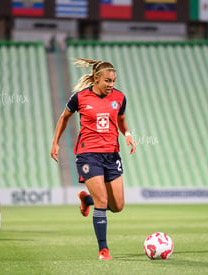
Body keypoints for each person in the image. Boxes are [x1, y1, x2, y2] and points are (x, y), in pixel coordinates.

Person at [50, 58, 136, 260]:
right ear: (96, 79)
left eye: (113, 81)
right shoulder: (79, 98)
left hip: (112, 154)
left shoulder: (120, 98)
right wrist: (55, 143)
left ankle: (86, 200)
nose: (111, 85)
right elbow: (64, 117)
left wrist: (128, 134)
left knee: (118, 206)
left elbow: (121, 120)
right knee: (103, 201)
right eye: (107, 81)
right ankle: (103, 250)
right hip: (88, 154)